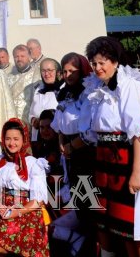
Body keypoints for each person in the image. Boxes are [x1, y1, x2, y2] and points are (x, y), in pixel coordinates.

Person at [80, 35, 140, 254]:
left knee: (136, 229)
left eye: (102, 62)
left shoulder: (129, 86)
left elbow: (139, 132)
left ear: (115, 61)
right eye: (94, 63)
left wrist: (136, 173)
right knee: (116, 227)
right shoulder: (99, 89)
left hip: (127, 161)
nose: (98, 68)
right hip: (106, 162)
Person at [0, 118, 50, 257]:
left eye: (16, 139)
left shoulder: (33, 163)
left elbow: (39, 199)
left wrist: (17, 212)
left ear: (23, 139)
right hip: (3, 207)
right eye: (8, 139)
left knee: (25, 249)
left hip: (27, 210)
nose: (11, 143)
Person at [51, 52, 94, 206]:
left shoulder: (87, 93)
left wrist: (71, 146)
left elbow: (89, 129)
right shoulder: (65, 92)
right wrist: (62, 142)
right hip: (68, 148)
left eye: (72, 71)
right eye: (64, 71)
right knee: (74, 191)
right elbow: (60, 121)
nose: (68, 75)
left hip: (83, 149)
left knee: (85, 193)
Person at [28, 58, 61, 143]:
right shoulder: (39, 89)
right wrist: (33, 120)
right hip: (38, 139)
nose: (46, 74)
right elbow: (31, 113)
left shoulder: (63, 90)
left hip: (57, 139)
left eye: (50, 70)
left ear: (57, 72)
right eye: (43, 71)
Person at [7, 45, 38, 123]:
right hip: (11, 120)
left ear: (29, 57)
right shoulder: (8, 77)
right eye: (16, 56)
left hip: (29, 120)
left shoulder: (37, 75)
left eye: (22, 56)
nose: (19, 59)